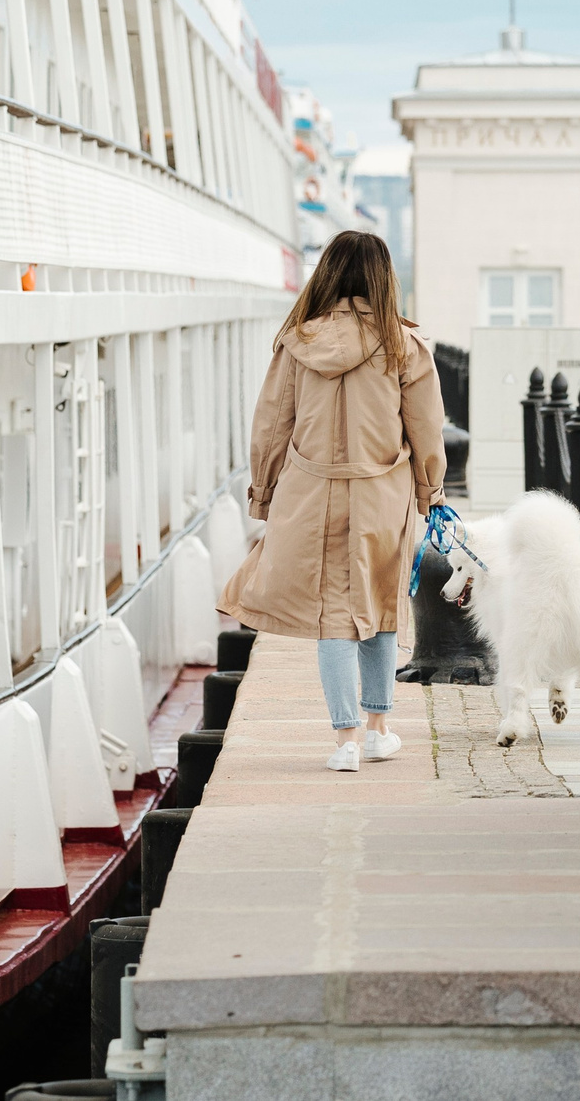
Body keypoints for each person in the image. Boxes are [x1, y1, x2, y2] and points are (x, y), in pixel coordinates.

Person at [220, 230, 447, 771]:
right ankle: (378, 730)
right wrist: (429, 491)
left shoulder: (298, 342)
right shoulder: (404, 346)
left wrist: (264, 491)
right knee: (380, 604)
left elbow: (272, 424)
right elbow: (425, 429)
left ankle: (343, 740)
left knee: (332, 614)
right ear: (382, 277)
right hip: (382, 491)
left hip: (311, 490)